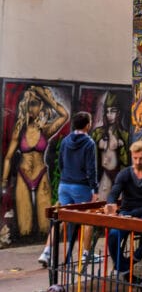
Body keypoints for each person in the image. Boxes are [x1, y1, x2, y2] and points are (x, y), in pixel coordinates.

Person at [2, 85, 68, 239]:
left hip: (41, 173)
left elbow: (64, 115)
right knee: (25, 229)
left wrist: (44, 95)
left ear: (41, 105)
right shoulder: (20, 130)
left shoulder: (45, 129)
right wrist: (4, 181)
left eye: (34, 103)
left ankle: (45, 248)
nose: (31, 108)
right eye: (29, 104)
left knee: (45, 226)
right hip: (23, 174)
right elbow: (7, 157)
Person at [38, 110, 99, 267]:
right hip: (82, 186)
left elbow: (60, 163)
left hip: (64, 185)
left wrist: (65, 177)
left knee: (60, 218)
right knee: (87, 220)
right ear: (87, 125)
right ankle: (86, 254)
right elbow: (91, 168)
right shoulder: (89, 143)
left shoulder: (65, 141)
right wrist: (95, 189)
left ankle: (46, 252)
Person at [103, 140, 142, 275]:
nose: (137, 161)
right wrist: (111, 203)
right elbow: (113, 193)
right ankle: (122, 266)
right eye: (135, 158)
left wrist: (134, 214)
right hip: (126, 212)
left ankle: (134, 258)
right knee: (113, 235)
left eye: (141, 158)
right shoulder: (124, 174)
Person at [92, 92, 129, 201]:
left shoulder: (124, 134)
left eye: (113, 111)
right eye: (107, 112)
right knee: (103, 203)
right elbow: (92, 156)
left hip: (118, 173)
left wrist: (121, 147)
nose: (109, 115)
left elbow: (126, 161)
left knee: (118, 203)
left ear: (119, 113)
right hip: (104, 172)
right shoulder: (98, 132)